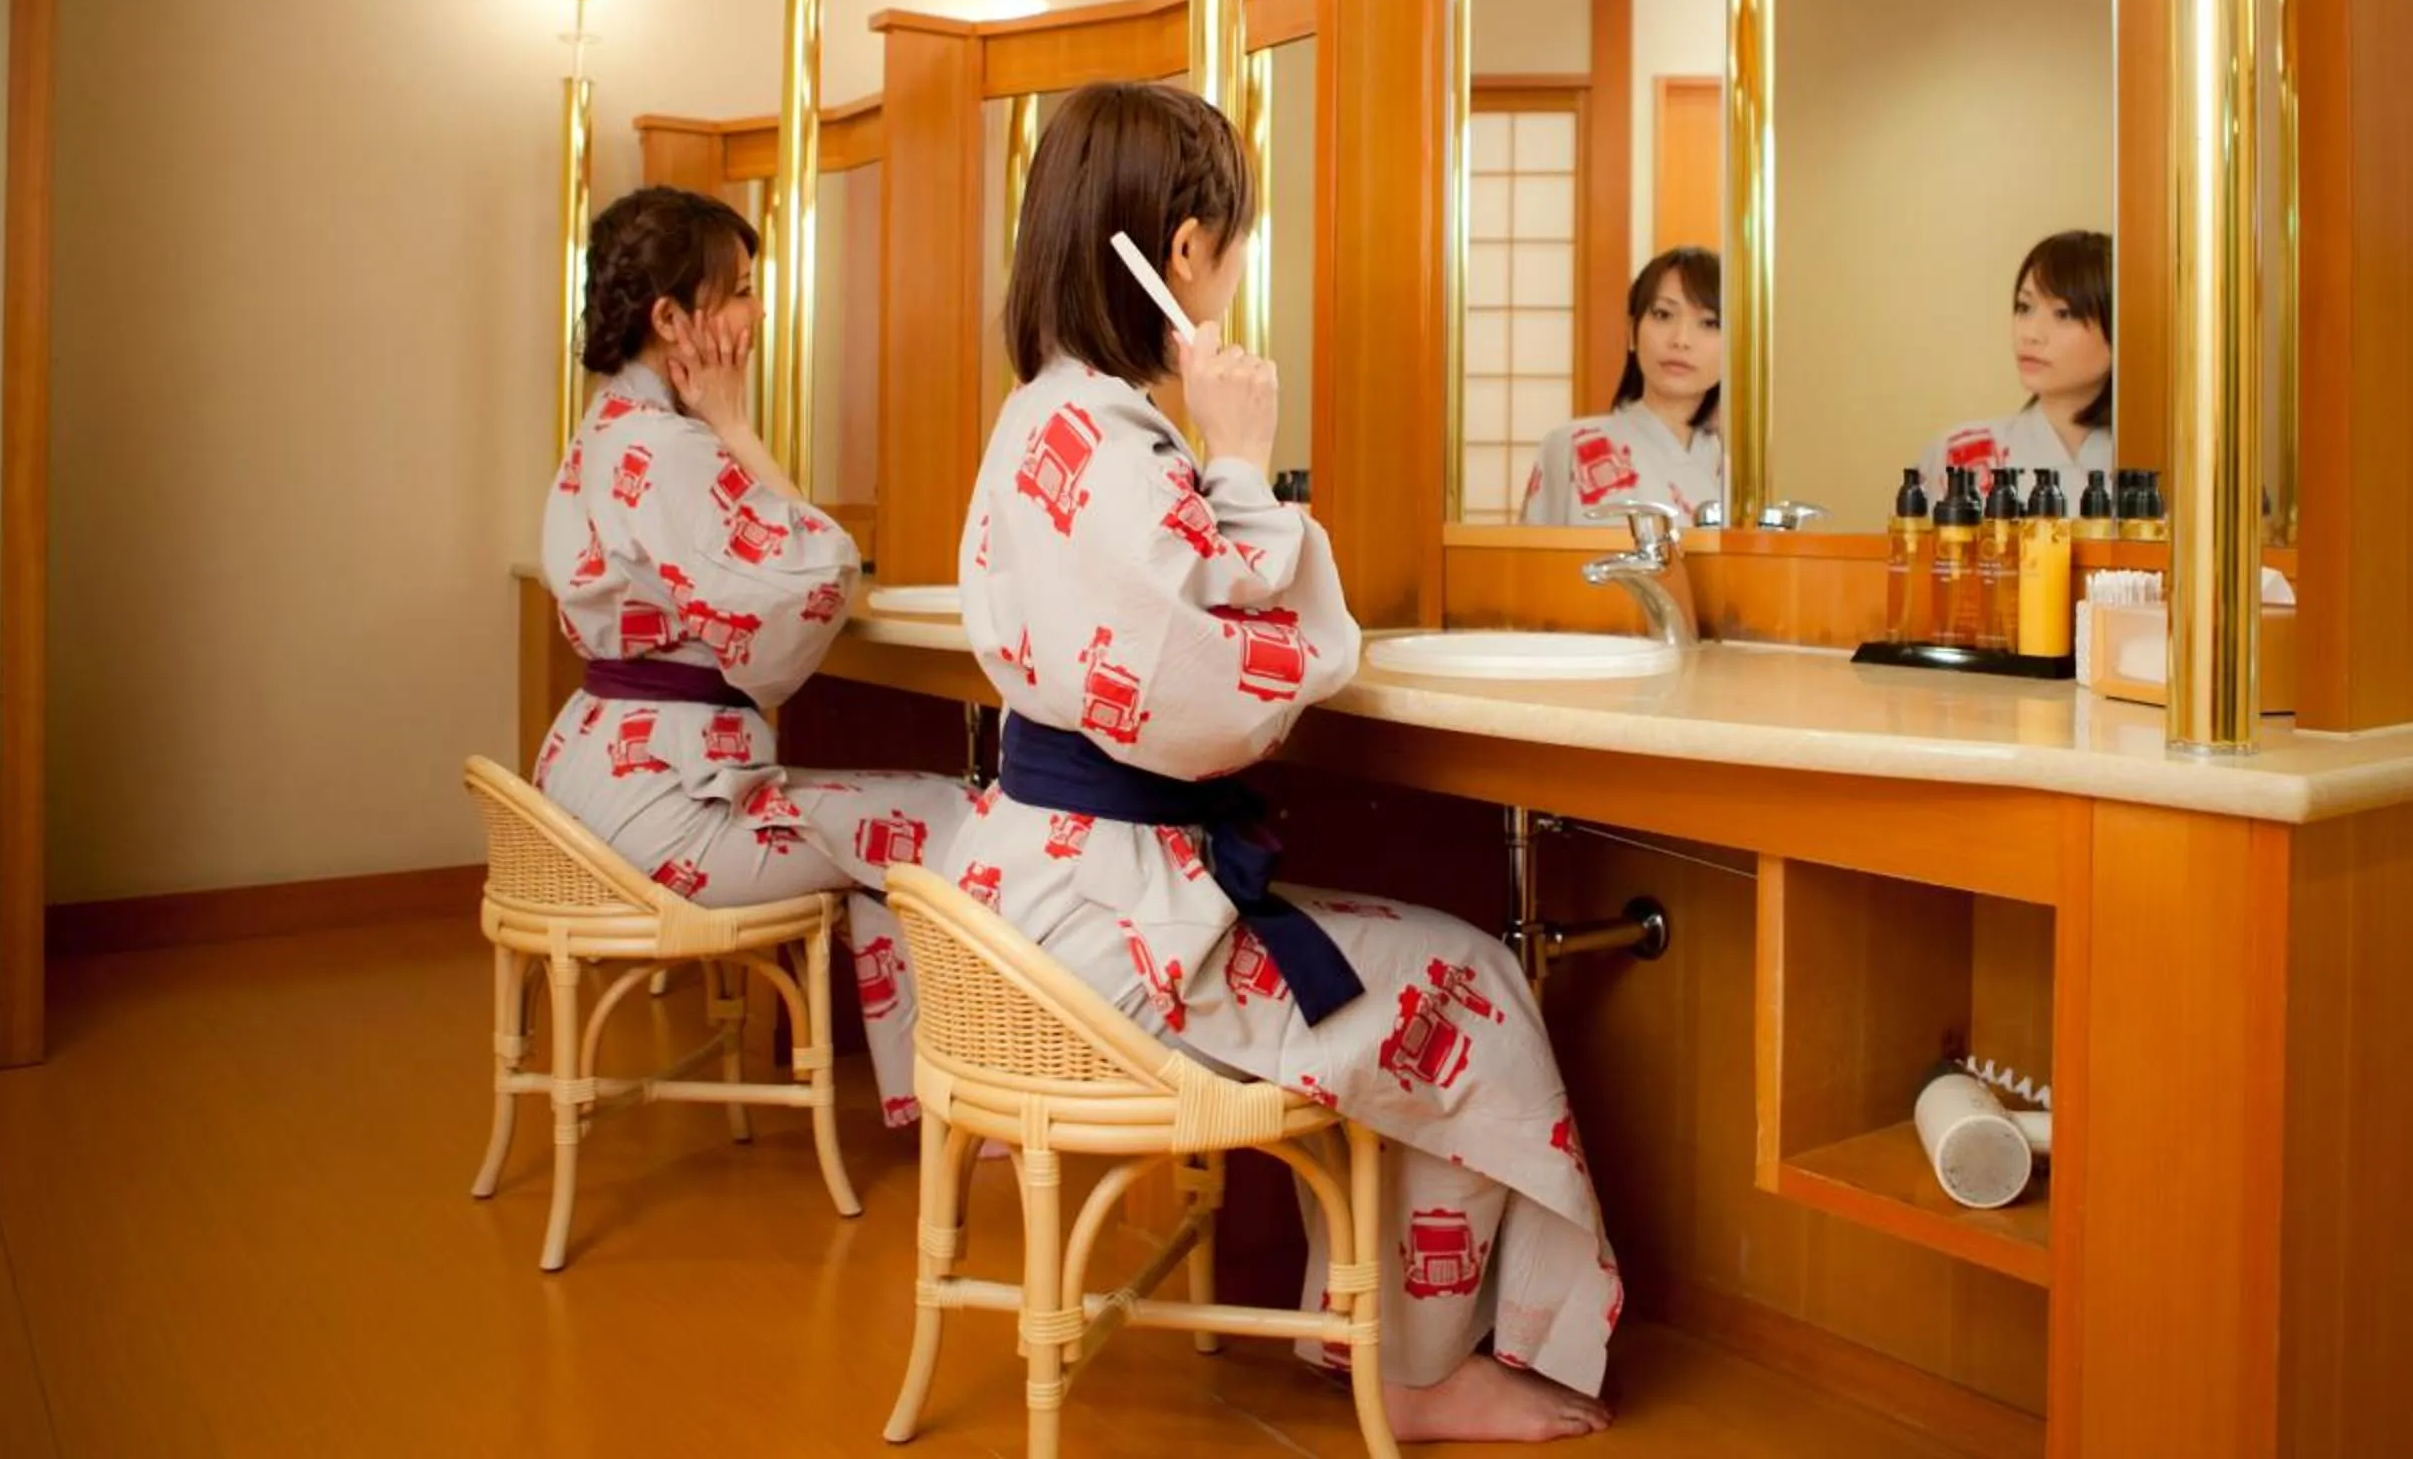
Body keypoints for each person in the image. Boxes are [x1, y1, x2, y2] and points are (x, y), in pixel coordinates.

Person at [951, 80, 1617, 1443]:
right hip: (1116, 931)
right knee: (1474, 982)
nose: (1236, 268)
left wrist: (1218, 469)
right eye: (1234, 241)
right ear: (1186, 253)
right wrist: (1245, 456)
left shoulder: (1050, 417)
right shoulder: (1118, 439)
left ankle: (1373, 1334)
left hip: (1043, 904)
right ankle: (1417, 1371)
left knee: (1416, 966)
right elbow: (1214, 689)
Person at [533, 186, 970, 1128]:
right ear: (670, 319)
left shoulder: (608, 429)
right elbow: (821, 573)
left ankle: (930, 1102)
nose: (759, 311)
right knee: (949, 813)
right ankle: (960, 1107)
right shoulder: (675, 450)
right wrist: (735, 426)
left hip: (601, 783)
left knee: (890, 823)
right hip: (666, 814)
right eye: (739, 291)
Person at [1519, 247, 1723, 527]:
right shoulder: (1570, 447)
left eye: (1710, 322)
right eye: (1663, 315)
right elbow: (1533, 566)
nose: (1681, 339)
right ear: (1632, 333)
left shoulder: (1741, 470)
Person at [1921, 229, 2115, 508]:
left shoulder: (2165, 467)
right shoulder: (1960, 454)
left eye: (2064, 313)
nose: (2030, 334)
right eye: (2024, 307)